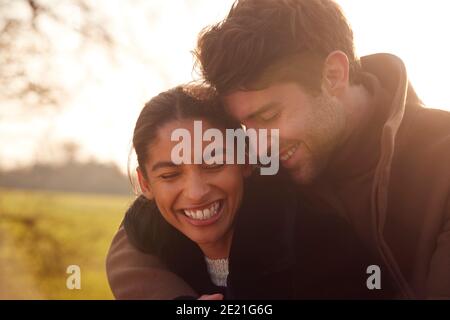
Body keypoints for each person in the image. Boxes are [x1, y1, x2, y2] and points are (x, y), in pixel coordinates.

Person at [108, 0, 450, 299]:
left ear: (333, 75)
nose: (256, 145)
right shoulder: (260, 157)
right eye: (243, 125)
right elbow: (138, 236)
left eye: (268, 116)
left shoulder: (441, 158)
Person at [111, 84, 389, 299]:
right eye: (170, 175)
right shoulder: (147, 241)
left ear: (245, 160)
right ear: (145, 184)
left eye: (214, 164)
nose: (196, 193)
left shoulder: (325, 248)